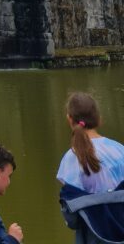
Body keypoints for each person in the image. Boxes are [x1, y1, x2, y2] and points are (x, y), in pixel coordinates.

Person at [58, 92, 124, 243]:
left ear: (70, 119)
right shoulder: (120, 150)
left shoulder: (71, 157)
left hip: (92, 237)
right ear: (99, 119)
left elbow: (72, 216)